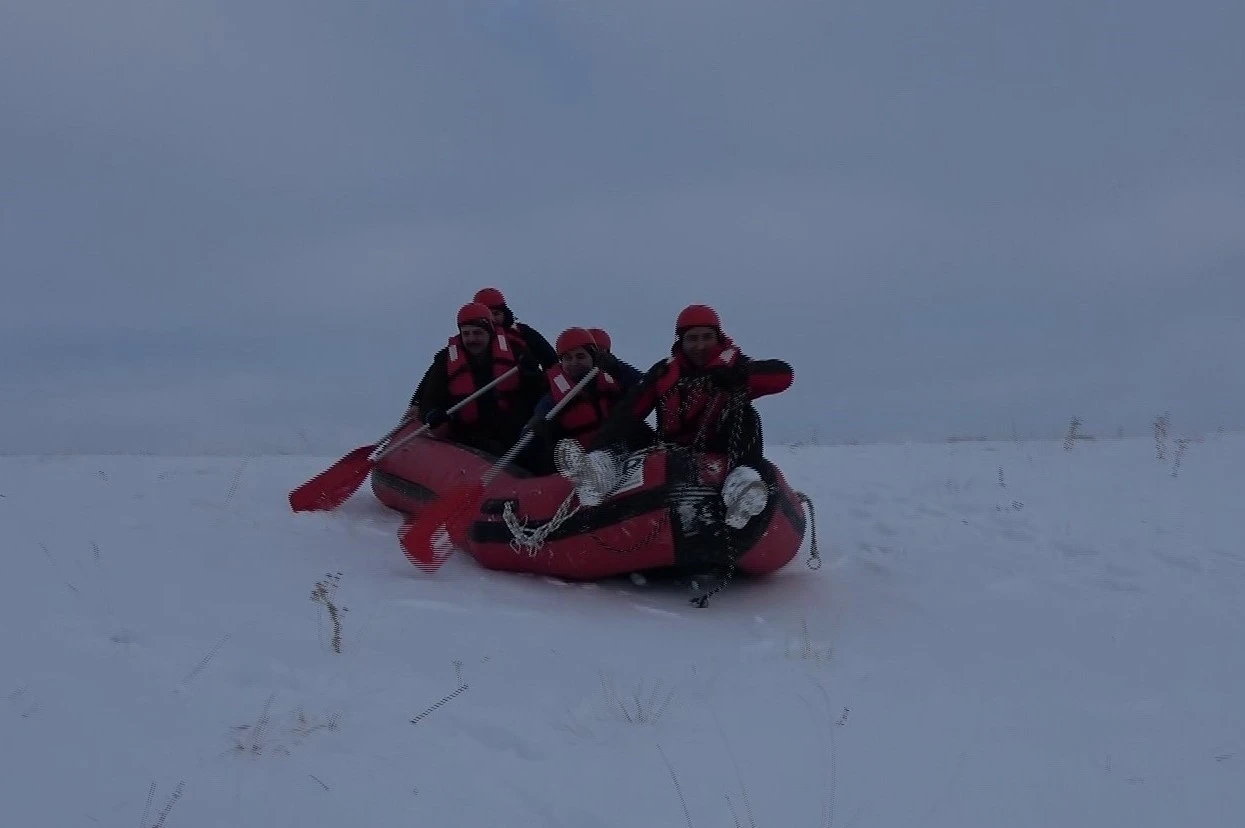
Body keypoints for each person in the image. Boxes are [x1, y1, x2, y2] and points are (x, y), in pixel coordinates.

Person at [579, 304, 793, 529]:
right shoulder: (664, 373)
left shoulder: (735, 365)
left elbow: (783, 375)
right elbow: (628, 414)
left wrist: (739, 376)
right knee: (631, 427)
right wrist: (598, 448)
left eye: (706, 337)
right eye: (692, 339)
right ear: (681, 341)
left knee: (746, 413)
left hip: (721, 447)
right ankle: (600, 470)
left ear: (718, 337)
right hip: (671, 453)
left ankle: (743, 482)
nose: (700, 346)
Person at [407, 302, 547, 457]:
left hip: (510, 432)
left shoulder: (516, 353)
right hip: (465, 435)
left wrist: (532, 374)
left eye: (477, 333)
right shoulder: (445, 360)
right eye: (466, 334)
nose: (472, 339)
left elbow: (536, 393)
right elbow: (431, 395)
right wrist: (432, 414)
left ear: (490, 332)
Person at [523, 328, 632, 472]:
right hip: (581, 470)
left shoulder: (611, 385)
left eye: (580, 356)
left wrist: (618, 367)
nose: (574, 362)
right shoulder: (552, 400)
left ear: (593, 358)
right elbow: (532, 428)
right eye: (568, 358)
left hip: (618, 458)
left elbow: (645, 385)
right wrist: (533, 428)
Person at [472, 287, 559, 370]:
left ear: (504, 314)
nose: (492, 319)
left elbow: (550, 359)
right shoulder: (468, 338)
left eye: (496, 314)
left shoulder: (523, 332)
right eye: (486, 315)